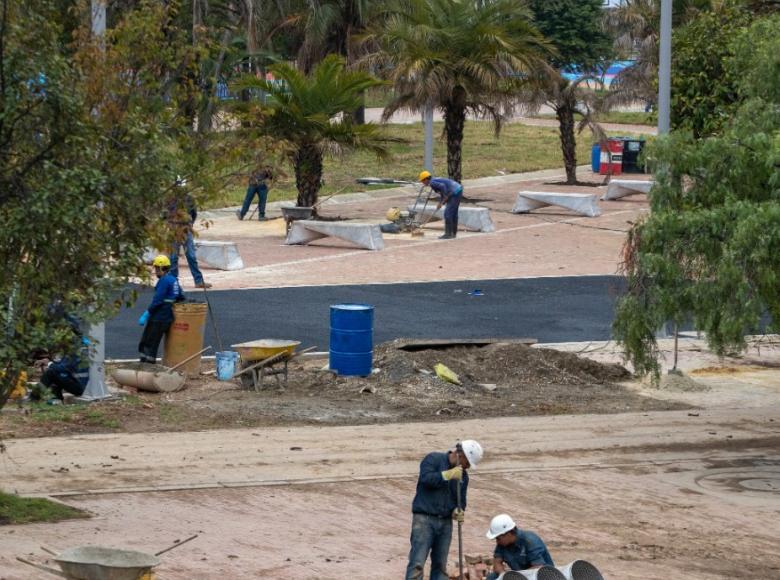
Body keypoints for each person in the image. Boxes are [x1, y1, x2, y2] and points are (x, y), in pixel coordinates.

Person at [405, 439, 484, 580]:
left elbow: (461, 501)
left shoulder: (463, 476)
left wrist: (458, 511)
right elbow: (426, 479)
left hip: (446, 523)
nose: (466, 468)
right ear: (461, 455)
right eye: (466, 464)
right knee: (417, 563)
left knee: (440, 565)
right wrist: (446, 475)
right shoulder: (433, 459)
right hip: (424, 519)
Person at [138, 255, 185, 364]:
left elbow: (158, 300)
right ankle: (148, 363)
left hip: (159, 316)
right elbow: (181, 296)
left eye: (156, 268)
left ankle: (146, 365)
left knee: (148, 342)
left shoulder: (164, 281)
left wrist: (147, 312)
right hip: (168, 317)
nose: (155, 271)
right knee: (153, 342)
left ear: (161, 268)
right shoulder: (174, 280)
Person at [167, 180, 211, 288]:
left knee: (191, 256)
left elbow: (194, 213)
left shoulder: (190, 199)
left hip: (186, 230)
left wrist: (189, 225)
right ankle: (173, 281)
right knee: (173, 257)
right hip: (174, 231)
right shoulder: (170, 200)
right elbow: (165, 215)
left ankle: (198, 281)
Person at [39, 315, 90, 403]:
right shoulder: (76, 343)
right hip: (76, 381)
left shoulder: (77, 347)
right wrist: (49, 362)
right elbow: (63, 365)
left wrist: (49, 363)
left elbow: (65, 367)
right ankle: (56, 398)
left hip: (79, 386)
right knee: (53, 370)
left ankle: (34, 397)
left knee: (52, 372)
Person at [485, 514, 554, 580]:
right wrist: (503, 574)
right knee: (492, 577)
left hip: (541, 576)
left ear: (508, 533)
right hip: (521, 576)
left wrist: (517, 577)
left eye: (498, 538)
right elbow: (497, 563)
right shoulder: (502, 544)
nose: (497, 542)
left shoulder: (530, 540)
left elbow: (538, 567)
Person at [418, 170, 463, 240]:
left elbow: (442, 187)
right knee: (453, 213)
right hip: (458, 190)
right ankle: (453, 233)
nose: (422, 183)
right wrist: (441, 202)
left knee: (448, 214)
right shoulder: (434, 180)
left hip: (454, 192)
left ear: (426, 179)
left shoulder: (432, 182)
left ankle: (448, 234)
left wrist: (444, 198)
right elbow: (442, 192)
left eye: (422, 181)